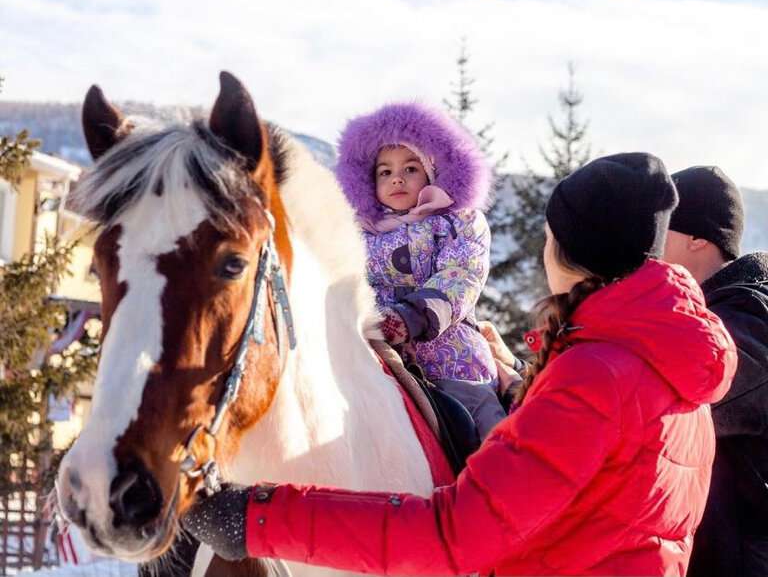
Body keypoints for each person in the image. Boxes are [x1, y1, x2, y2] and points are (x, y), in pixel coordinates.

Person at [183, 152, 737, 576]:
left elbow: (455, 534)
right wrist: (526, 384)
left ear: (567, 251)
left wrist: (257, 517)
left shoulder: (595, 375)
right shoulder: (674, 365)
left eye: (549, 238)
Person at [335, 101, 506, 440]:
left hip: (452, 360)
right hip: (376, 356)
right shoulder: (357, 233)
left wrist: (408, 318)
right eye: (385, 171)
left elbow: (460, 275)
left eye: (410, 168)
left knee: (487, 436)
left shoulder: (456, 222)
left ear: (431, 171)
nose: (397, 177)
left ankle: (501, 484)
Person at [663, 165, 768, 577]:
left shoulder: (749, 323)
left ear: (699, 239)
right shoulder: (708, 317)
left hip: (740, 558)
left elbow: (662, 401)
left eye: (661, 229)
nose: (647, 244)